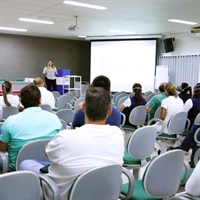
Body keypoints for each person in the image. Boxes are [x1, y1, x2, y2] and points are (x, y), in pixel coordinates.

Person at [20, 86, 124, 200]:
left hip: (61, 195)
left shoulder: (65, 137)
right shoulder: (118, 134)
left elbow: (47, 152)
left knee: (26, 164)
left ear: (83, 108)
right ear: (109, 111)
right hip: (102, 194)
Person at [0, 84, 62, 171]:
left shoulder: (10, 121)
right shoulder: (55, 119)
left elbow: (1, 147)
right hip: (48, 166)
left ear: (21, 101)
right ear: (40, 100)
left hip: (17, 168)